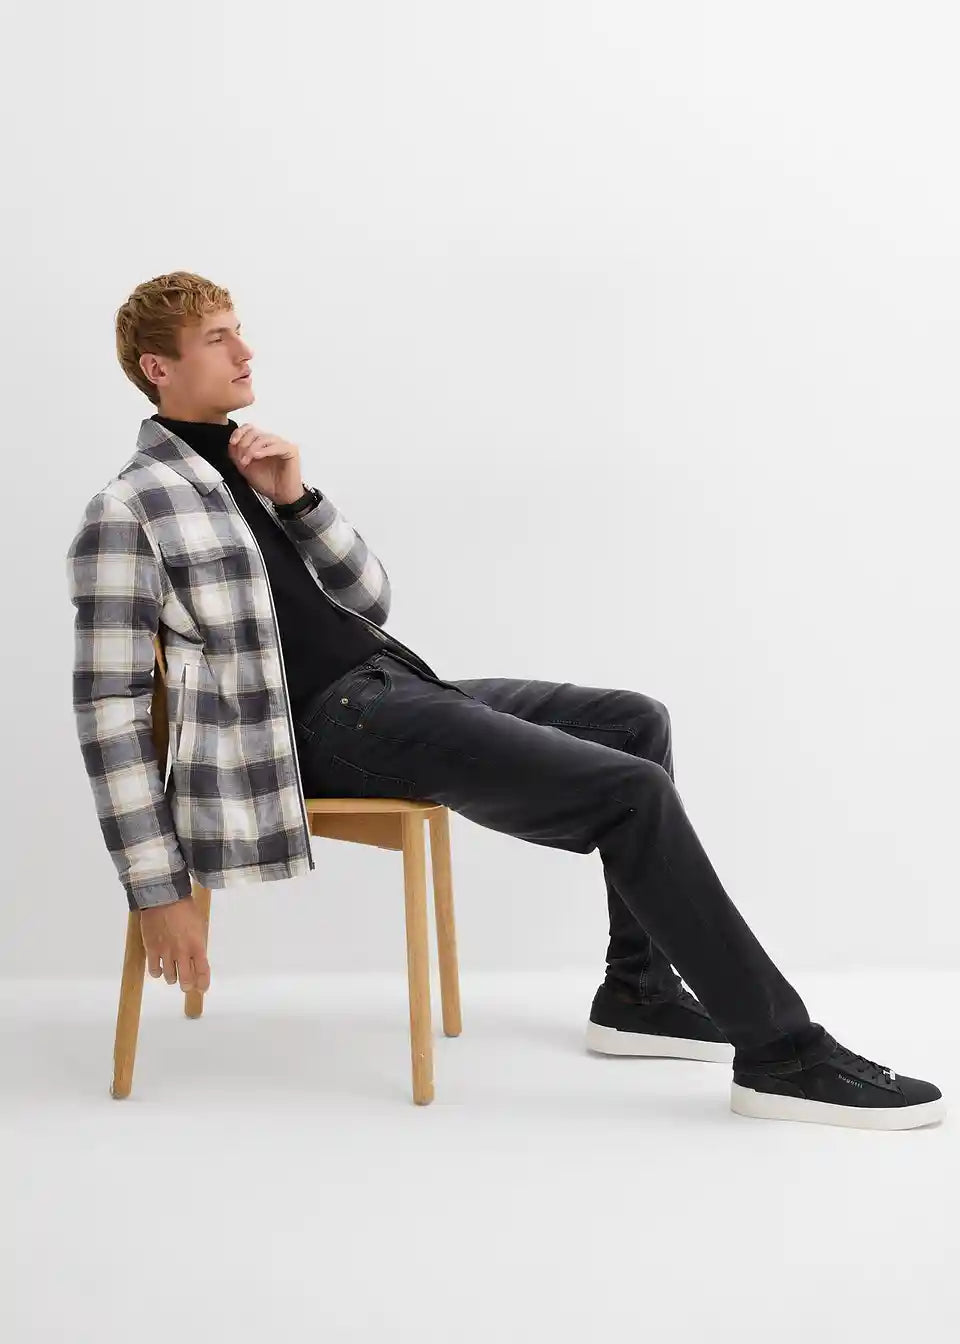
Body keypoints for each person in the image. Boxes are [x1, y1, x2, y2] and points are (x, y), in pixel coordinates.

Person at [66, 271, 944, 1131]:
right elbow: (110, 708)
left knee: (633, 723)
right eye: (219, 338)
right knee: (631, 793)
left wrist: (296, 498)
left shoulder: (248, 467)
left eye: (240, 330)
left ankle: (639, 995)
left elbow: (369, 600)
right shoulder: (129, 508)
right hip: (317, 730)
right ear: (158, 367)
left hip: (391, 687)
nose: (246, 351)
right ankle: (782, 1053)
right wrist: (157, 889)